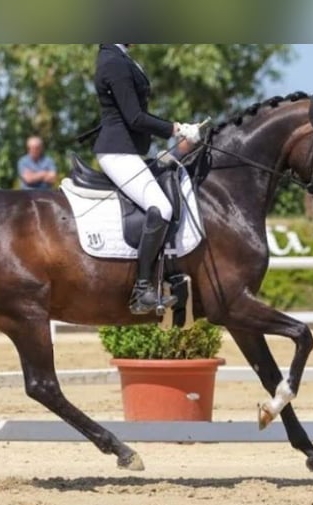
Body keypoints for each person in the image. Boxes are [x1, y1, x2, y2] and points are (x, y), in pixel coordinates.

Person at [92, 43, 204, 315]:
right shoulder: (113, 62)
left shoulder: (119, 57)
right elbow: (134, 117)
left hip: (128, 150)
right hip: (117, 152)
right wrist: (176, 129)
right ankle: (142, 289)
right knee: (162, 208)